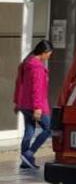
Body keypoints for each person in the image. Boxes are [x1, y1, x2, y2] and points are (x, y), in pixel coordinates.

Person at [13, 40, 53, 170]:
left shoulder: (26, 63)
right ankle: (29, 154)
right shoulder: (37, 66)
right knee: (49, 129)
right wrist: (37, 107)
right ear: (44, 52)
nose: (49, 57)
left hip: (25, 104)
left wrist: (17, 102)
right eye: (49, 54)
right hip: (35, 105)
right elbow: (37, 88)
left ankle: (25, 162)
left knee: (29, 132)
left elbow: (19, 84)